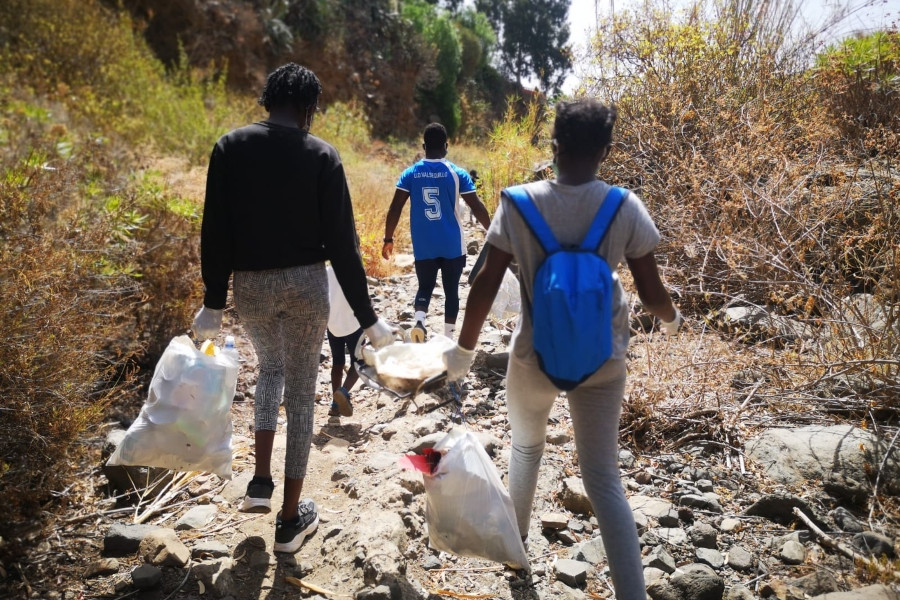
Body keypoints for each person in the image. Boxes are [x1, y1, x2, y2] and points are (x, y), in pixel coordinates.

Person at [443, 99, 682, 599]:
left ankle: (519, 547)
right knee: (603, 481)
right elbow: (653, 292)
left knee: (527, 446)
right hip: (603, 362)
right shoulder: (624, 205)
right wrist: (672, 320)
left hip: (533, 358)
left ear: (554, 144)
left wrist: (463, 353)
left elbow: (485, 282)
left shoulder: (518, 202)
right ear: (605, 150)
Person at [191, 63, 394, 554]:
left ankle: (260, 483)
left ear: (268, 100)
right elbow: (344, 248)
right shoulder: (322, 155)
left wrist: (212, 303)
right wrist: (369, 319)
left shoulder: (230, 147)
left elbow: (215, 231)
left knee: (270, 372)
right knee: (302, 395)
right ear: (309, 108)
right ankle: (289, 521)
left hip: (252, 289)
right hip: (306, 286)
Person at [381, 123, 491, 342]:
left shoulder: (410, 174)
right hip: (452, 244)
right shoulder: (457, 173)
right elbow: (477, 207)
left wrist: (388, 238)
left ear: (423, 146)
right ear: (446, 146)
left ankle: (420, 320)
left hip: (424, 244)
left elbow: (395, 208)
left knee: (424, 286)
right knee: (451, 291)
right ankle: (448, 338)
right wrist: (493, 231)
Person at [325, 265, 362, 418]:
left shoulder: (326, 270)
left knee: (337, 363)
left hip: (333, 324)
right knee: (359, 363)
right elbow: (361, 296)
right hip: (353, 324)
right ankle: (343, 392)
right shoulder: (354, 267)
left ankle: (335, 406)